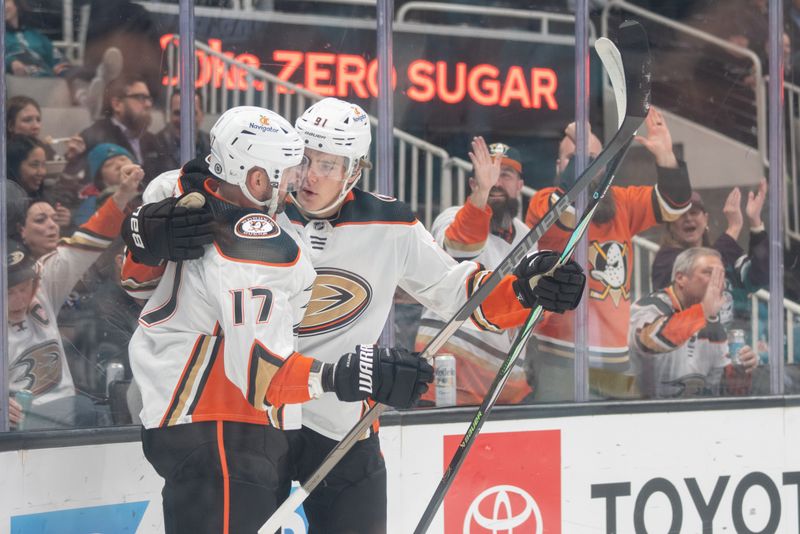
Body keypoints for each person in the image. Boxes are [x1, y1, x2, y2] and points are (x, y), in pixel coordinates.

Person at [120, 98, 586, 533]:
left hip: (342, 414)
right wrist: (143, 231)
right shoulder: (247, 202)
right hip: (253, 415)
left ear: (354, 171)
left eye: (328, 164)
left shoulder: (391, 225)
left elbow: (457, 293)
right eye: (303, 158)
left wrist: (524, 290)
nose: (308, 175)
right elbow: (142, 277)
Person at [126, 106, 434, 534]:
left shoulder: (206, 200)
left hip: (225, 421)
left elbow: (138, 283)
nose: (300, 179)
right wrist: (350, 375)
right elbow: (263, 376)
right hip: (218, 418)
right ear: (256, 178)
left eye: (321, 164)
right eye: (294, 167)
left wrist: (140, 232)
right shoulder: (254, 239)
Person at [524, 107, 693, 401]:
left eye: (598, 160)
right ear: (560, 165)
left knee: (620, 440)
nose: (590, 167)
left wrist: (666, 157)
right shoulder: (542, 203)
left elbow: (675, 206)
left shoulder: (622, 204)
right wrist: (585, 152)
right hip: (558, 358)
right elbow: (567, 209)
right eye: (579, 159)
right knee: (567, 438)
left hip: (615, 360)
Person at [7, 163, 142, 430]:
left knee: (91, 412)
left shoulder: (44, 284)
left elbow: (84, 244)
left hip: (67, 413)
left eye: (25, 287)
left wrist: (122, 195)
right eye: (10, 292)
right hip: (17, 429)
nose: (21, 298)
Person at [414, 138, 535, 405]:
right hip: (446, 383)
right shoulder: (450, 218)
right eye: (487, 174)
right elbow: (459, 250)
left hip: (506, 390)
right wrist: (483, 192)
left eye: (506, 174)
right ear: (472, 184)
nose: (496, 182)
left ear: (520, 185)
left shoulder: (528, 236)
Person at [629, 247, 758, 398]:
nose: (717, 282)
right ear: (680, 278)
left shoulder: (712, 321)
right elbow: (648, 341)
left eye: (721, 275)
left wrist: (742, 370)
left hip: (691, 415)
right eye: (708, 273)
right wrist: (703, 311)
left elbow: (725, 391)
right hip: (641, 416)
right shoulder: (648, 306)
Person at [651, 180, 769, 332]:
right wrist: (733, 228)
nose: (688, 218)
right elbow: (697, 264)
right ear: (670, 225)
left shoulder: (725, 254)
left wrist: (755, 222)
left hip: (731, 348)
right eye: (680, 215)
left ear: (706, 218)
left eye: (694, 212)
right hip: (689, 349)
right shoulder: (665, 260)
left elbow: (761, 276)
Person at [79, 75, 167, 181]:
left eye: (148, 98)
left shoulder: (151, 140)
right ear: (117, 104)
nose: (148, 104)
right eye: (140, 98)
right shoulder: (94, 138)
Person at [6, 95, 85, 163]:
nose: (36, 126)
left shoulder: (42, 148)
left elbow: (57, 170)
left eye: (38, 120)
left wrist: (70, 156)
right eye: (27, 120)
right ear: (11, 126)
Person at [155, 89, 211, 170]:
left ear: (202, 115)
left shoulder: (213, 147)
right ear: (169, 115)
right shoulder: (155, 144)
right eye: (177, 113)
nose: (184, 120)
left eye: (191, 113)